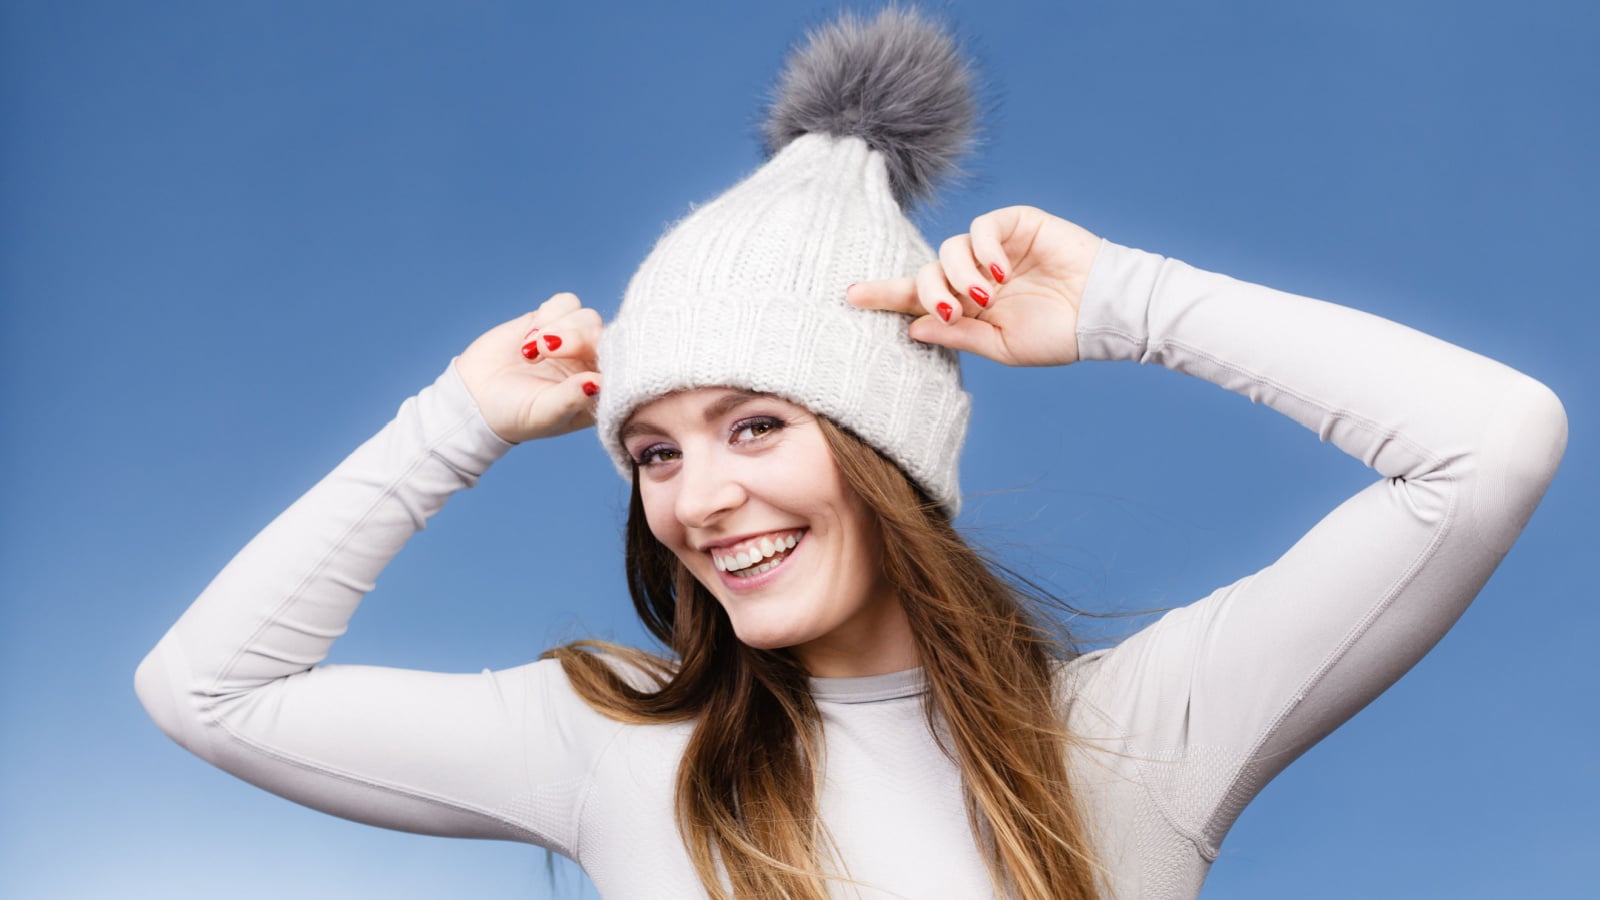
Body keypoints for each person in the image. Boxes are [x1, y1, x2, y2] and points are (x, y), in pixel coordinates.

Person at [133, 8, 1567, 900]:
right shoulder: (613, 744)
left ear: (890, 455)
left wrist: (1135, 303)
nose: (702, 499)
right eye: (652, 451)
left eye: (757, 425)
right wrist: (449, 428)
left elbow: (1489, 445)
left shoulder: (1145, 734)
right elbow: (204, 691)